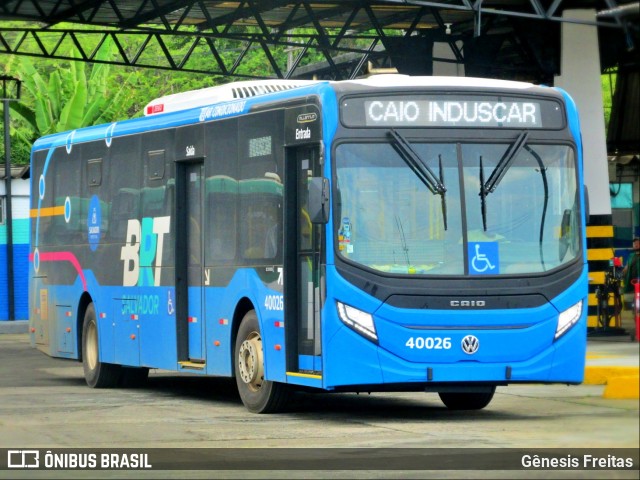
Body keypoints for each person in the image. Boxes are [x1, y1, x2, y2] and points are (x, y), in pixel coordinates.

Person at [622, 236, 640, 309]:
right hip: (632, 283)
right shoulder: (631, 255)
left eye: (638, 243)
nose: (636, 244)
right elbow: (627, 267)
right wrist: (623, 272)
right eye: (634, 243)